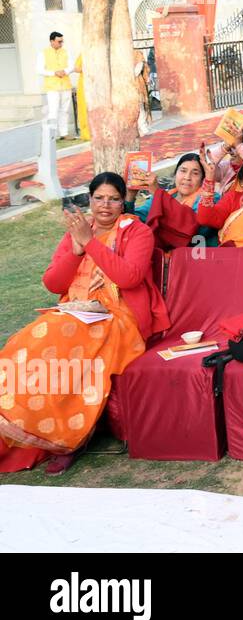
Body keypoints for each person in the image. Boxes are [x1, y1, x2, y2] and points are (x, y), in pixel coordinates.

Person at [0, 172, 168, 473]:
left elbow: (129, 277)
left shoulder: (137, 232)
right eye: (99, 198)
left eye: (114, 199)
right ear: (90, 200)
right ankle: (22, 425)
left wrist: (91, 244)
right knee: (24, 342)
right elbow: (53, 283)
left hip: (119, 318)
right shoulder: (79, 231)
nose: (106, 205)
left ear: (123, 203)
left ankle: (67, 437)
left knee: (68, 343)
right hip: (76, 312)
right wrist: (77, 251)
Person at [128, 151, 221, 248]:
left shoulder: (210, 197)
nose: (187, 177)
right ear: (175, 174)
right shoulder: (168, 195)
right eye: (183, 171)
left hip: (197, 256)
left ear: (203, 179)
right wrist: (130, 197)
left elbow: (196, 229)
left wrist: (158, 194)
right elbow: (135, 222)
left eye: (195, 173)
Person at [42, 31, 75, 140]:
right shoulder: (43, 53)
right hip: (52, 87)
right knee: (53, 110)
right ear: (52, 41)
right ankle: (52, 135)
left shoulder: (66, 52)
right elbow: (39, 69)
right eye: (59, 41)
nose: (61, 44)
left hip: (65, 85)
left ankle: (64, 133)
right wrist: (54, 73)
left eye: (62, 41)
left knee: (64, 110)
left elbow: (71, 66)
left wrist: (64, 71)